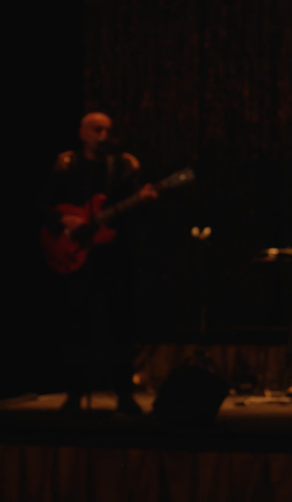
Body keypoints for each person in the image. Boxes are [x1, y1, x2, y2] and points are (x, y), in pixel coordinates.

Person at [40, 112, 157, 415]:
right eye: (97, 129)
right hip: (76, 256)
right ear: (82, 132)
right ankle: (74, 394)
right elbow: (41, 203)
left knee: (121, 326)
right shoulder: (67, 165)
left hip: (113, 258)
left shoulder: (123, 166)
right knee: (75, 324)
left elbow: (134, 210)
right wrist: (62, 219)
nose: (103, 135)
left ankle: (124, 394)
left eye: (107, 130)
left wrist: (142, 200)